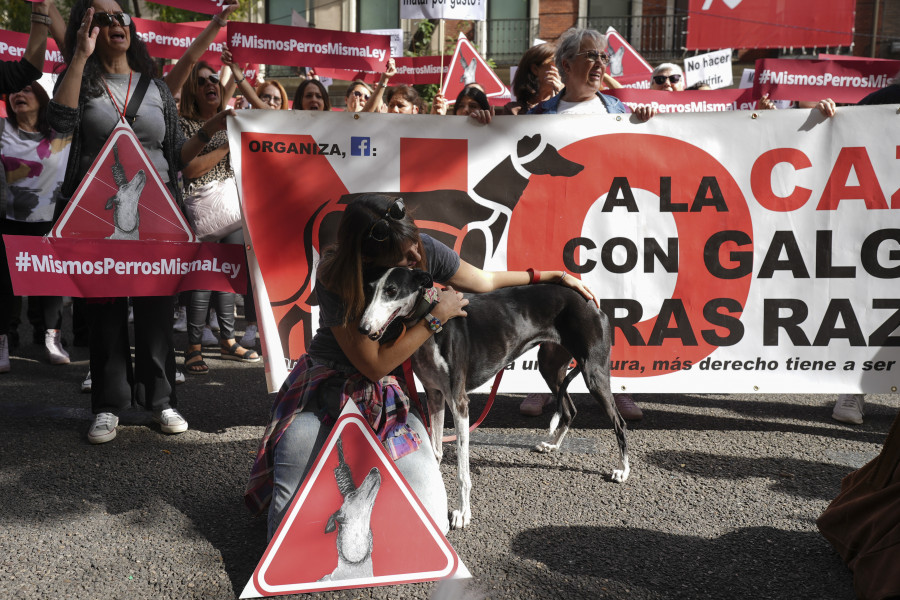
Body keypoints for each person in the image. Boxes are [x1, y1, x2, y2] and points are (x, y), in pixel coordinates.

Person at [244, 194, 598, 538]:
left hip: (385, 397)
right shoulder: (337, 274)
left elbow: (483, 282)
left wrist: (552, 276)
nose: (417, 254)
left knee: (433, 521)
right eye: (405, 254)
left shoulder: (418, 247)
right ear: (371, 260)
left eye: (415, 242)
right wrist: (434, 319)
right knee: (285, 523)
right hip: (326, 388)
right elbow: (372, 365)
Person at [49, 0, 232, 443]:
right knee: (106, 310)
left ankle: (162, 400)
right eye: (104, 18)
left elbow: (174, 157)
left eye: (121, 17)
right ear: (86, 26)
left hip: (157, 214)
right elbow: (59, 124)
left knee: (154, 309)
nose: (116, 24)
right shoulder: (80, 81)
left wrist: (214, 129)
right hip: (99, 216)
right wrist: (79, 54)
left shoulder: (154, 88)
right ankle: (109, 404)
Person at [469, 28, 651, 419]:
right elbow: (504, 149)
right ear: (566, 64)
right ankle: (546, 385)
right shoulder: (537, 117)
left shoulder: (621, 114)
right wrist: (483, 124)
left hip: (607, 225)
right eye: (592, 56)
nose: (601, 64)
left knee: (611, 298)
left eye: (604, 57)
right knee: (551, 302)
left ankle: (615, 387)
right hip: (552, 227)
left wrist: (649, 123)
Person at [816, 69, 900, 425]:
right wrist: (830, 114)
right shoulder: (889, 97)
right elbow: (847, 123)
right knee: (872, 302)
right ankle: (854, 389)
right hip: (881, 218)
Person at [179, 61, 260, 374]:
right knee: (203, 276)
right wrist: (228, 144)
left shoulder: (235, 119)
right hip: (202, 210)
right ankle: (194, 346)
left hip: (234, 209)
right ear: (191, 91)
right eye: (201, 81)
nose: (210, 84)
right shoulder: (185, 124)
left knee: (227, 274)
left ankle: (228, 340)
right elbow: (191, 170)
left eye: (214, 78)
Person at [0, 81, 73, 373]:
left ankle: (53, 339)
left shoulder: (61, 134)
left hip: (51, 221)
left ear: (42, 98)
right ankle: (2, 341)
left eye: (27, 90)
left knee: (51, 282)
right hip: (8, 220)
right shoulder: (2, 130)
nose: (19, 94)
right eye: (14, 91)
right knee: (5, 285)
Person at [505, 42, 562, 115]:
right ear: (535, 69)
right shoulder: (514, 111)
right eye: (555, 61)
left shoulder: (568, 104)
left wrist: (561, 98)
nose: (562, 68)